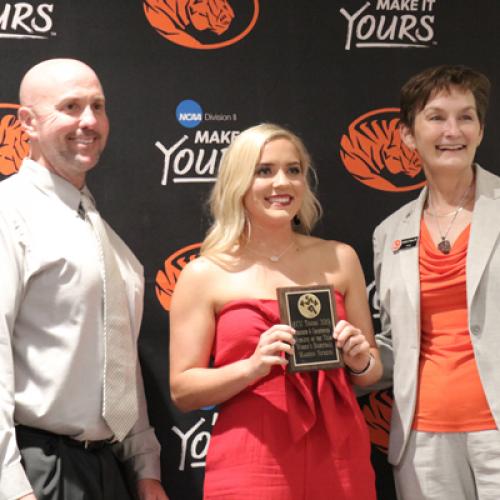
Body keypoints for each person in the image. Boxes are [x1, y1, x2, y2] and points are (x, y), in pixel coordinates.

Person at [169, 123, 382, 499]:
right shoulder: (204, 273)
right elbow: (183, 390)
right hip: (250, 457)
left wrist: (359, 359)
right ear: (238, 182)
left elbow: (371, 371)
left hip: (339, 455)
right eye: (264, 170)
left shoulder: (340, 258)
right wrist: (251, 367)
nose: (282, 182)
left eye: (293, 170)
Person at [0, 59, 168, 500]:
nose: (89, 121)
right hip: (35, 470)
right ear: (27, 123)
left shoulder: (102, 233)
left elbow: (119, 360)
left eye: (98, 106)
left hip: (107, 470)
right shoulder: (8, 214)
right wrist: (10, 486)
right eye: (70, 107)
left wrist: (144, 468)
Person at [373, 64, 500, 499]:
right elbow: (397, 343)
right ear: (408, 135)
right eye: (437, 117)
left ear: (481, 130)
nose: (453, 131)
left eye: (466, 117)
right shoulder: (389, 232)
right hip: (422, 442)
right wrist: (351, 358)